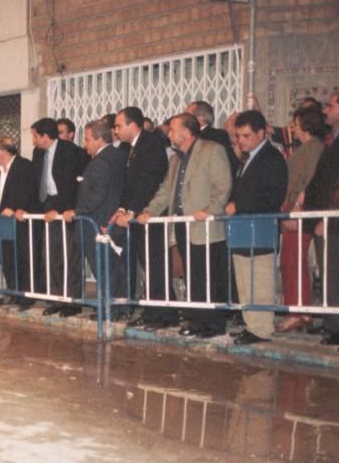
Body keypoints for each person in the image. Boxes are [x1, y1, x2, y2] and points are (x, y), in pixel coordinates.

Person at [139, 113, 232, 339]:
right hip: (182, 225)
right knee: (193, 276)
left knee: (209, 276)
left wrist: (211, 210)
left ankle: (213, 324)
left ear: (186, 131)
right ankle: (198, 320)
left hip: (205, 225)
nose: (169, 134)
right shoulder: (175, 160)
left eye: (172, 129)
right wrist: (149, 210)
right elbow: (165, 191)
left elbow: (224, 184)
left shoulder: (212, 150)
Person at [224, 110, 288, 345]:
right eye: (238, 136)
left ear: (261, 133)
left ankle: (261, 329)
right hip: (243, 230)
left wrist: (238, 205)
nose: (241, 140)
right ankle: (251, 325)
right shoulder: (247, 159)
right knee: (244, 281)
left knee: (259, 281)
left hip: (260, 230)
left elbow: (272, 196)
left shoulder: (272, 158)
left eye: (246, 135)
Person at [112, 106, 172, 329]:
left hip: (150, 216)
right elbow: (129, 184)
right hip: (137, 216)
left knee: (155, 265)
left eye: (119, 125)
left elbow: (149, 182)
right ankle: (156, 311)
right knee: (148, 266)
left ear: (132, 125)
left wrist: (133, 211)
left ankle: (161, 314)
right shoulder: (130, 148)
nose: (116, 130)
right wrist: (122, 208)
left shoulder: (150, 144)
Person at [31, 117, 89, 315]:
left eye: (35, 136)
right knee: (52, 255)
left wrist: (64, 208)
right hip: (49, 207)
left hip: (67, 209)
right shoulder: (38, 153)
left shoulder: (72, 152)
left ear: (46, 136)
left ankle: (73, 301)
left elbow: (76, 184)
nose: (33, 140)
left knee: (70, 257)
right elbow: (39, 182)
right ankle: (57, 297)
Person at [276, 107, 326, 333]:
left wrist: (295, 210)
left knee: (293, 262)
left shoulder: (314, 148)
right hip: (294, 211)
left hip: (299, 213)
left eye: (295, 123)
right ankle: (300, 311)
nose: (292, 127)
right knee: (291, 262)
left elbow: (310, 183)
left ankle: (298, 312)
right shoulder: (305, 148)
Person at [71, 119, 127, 317]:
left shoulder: (101, 162)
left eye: (87, 139)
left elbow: (97, 195)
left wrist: (77, 211)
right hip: (110, 223)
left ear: (100, 140)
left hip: (98, 224)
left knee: (104, 269)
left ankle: (109, 310)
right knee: (113, 269)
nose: (85, 144)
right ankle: (117, 307)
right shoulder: (118, 156)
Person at [304, 88, 339, 346]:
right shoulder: (334, 139)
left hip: (336, 221)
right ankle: (333, 324)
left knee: (337, 273)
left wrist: (327, 217)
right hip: (328, 219)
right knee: (330, 273)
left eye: (331, 106)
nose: (325, 110)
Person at [0, 136, 39, 305]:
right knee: (6, 259)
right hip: (0, 223)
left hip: (18, 222)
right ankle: (14, 293)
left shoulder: (25, 166)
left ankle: (27, 297)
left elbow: (31, 191)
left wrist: (17, 207)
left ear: (3, 151)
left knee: (22, 260)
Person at [186, 100, 239, 175]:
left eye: (187, 115)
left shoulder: (217, 136)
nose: (184, 119)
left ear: (201, 118)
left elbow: (229, 164)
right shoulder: (190, 136)